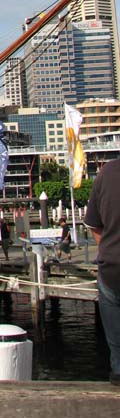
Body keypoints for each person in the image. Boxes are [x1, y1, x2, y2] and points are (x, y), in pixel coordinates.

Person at [85, 158, 120, 386]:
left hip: (112, 268)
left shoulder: (107, 172)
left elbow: (93, 224)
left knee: (117, 348)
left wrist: (108, 246)